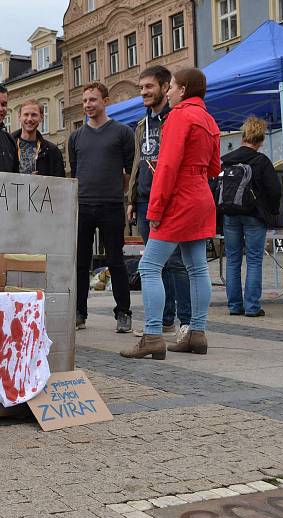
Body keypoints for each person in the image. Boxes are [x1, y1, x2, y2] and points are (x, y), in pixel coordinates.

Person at [121, 68, 221, 360]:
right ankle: (196, 333)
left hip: (179, 196)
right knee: (197, 267)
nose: (169, 92)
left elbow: (166, 166)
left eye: (172, 87)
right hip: (201, 194)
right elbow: (215, 166)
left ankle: (152, 335)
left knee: (150, 266)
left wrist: (155, 208)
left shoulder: (179, 115)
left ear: (184, 89)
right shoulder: (208, 118)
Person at [127, 66, 191, 341]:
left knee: (176, 262)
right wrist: (131, 198)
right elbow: (137, 162)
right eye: (141, 88)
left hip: (170, 201)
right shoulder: (142, 124)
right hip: (144, 200)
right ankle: (164, 320)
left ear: (165, 88)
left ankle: (186, 322)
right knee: (154, 265)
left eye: (149, 87)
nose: (143, 92)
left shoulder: (176, 119)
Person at [68, 82, 135, 333]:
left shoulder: (122, 132)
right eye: (85, 100)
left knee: (116, 260)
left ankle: (123, 313)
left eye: (93, 100)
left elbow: (129, 169)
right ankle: (78, 312)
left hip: (111, 204)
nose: (88, 105)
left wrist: (120, 193)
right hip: (83, 205)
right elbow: (75, 172)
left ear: (105, 101)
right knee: (80, 263)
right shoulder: (76, 137)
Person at [221, 116, 282, 317]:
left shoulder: (227, 159)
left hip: (230, 213)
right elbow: (274, 190)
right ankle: (252, 307)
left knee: (232, 260)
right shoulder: (261, 161)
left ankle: (234, 306)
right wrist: (272, 211)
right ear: (260, 140)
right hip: (254, 215)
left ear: (243, 137)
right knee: (254, 260)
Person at [11, 100, 65, 177]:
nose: (29, 119)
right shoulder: (8, 147)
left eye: (34, 115)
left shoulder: (52, 151)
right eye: (26, 114)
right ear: (19, 117)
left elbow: (60, 183)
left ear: (41, 117)